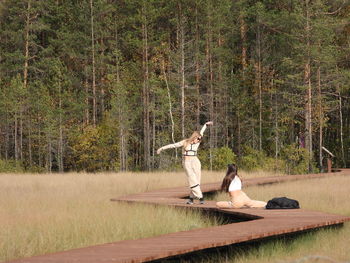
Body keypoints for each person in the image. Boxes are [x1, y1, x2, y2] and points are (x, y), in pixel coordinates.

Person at [157, 121, 213, 205]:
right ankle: (201, 197)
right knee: (192, 180)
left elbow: (201, 132)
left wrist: (205, 125)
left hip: (195, 161)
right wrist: (161, 148)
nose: (198, 141)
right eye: (198, 139)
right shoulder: (185, 142)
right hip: (187, 162)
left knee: (197, 181)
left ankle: (191, 199)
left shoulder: (197, 143)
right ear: (194, 137)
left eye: (200, 139)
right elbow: (173, 145)